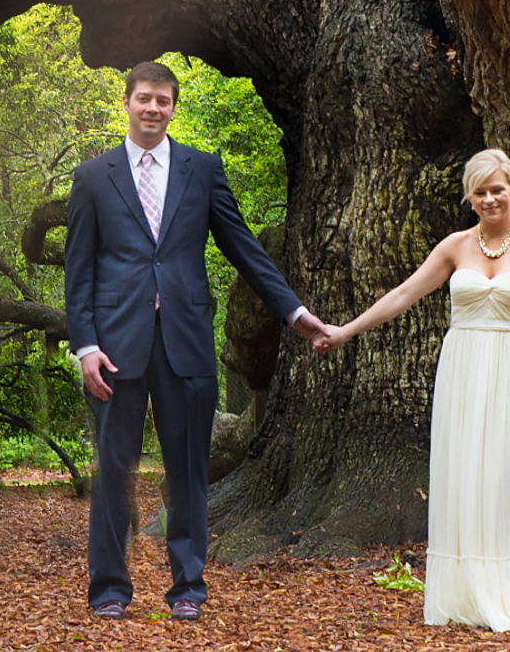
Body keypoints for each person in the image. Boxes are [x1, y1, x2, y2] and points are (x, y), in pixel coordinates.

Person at [65, 59, 330, 621]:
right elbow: (78, 271)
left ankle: (188, 587)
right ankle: (109, 588)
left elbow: (243, 248)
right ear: (128, 102)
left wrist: (293, 311)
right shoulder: (93, 177)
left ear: (173, 106)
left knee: (188, 471)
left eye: (163, 100)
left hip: (185, 344)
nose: (153, 109)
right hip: (113, 349)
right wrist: (85, 345)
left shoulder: (202, 170)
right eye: (144, 99)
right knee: (115, 470)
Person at [313, 147, 510, 630]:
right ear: (470, 199)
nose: (490, 198)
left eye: (498, 189)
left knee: (505, 474)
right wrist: (346, 330)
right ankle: (465, 590)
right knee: (465, 470)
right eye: (480, 192)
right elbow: (404, 293)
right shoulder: (455, 246)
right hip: (463, 365)